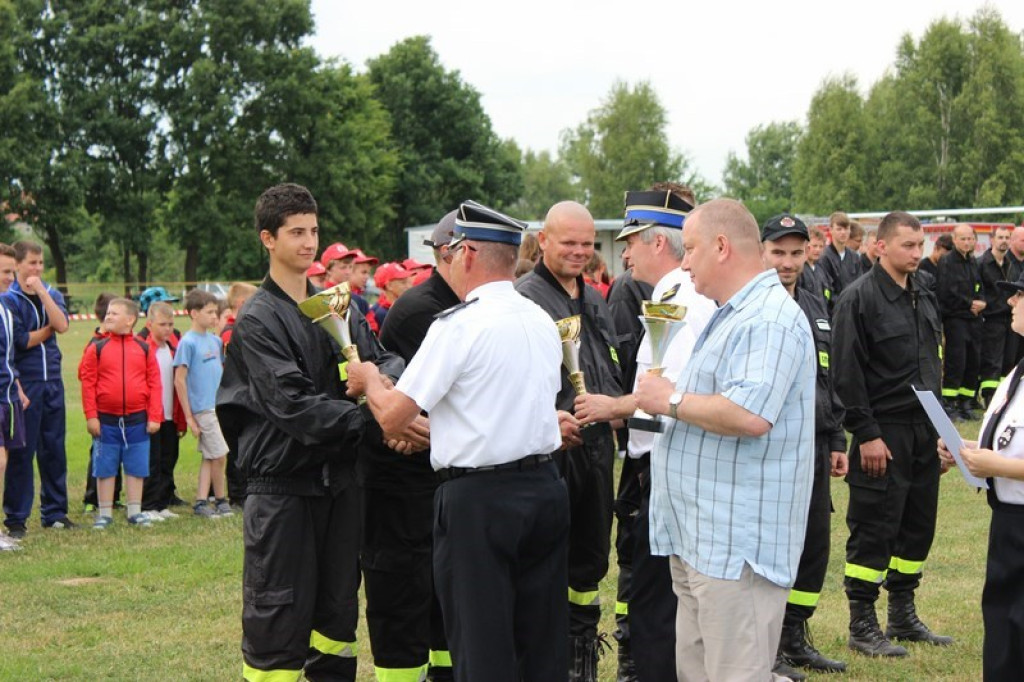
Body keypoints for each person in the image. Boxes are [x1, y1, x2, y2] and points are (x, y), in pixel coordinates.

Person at [345, 199, 571, 682]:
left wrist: (367, 379)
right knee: (540, 644)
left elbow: (394, 417)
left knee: (481, 643)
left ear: (465, 254)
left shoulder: (459, 325)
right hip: (544, 488)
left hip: (479, 501)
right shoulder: (539, 319)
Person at [217, 183, 410, 682]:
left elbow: (380, 356)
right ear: (268, 238)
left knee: (337, 619)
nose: (308, 242)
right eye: (296, 232)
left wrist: (384, 385)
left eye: (314, 231)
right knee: (276, 623)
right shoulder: (259, 318)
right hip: (283, 490)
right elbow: (294, 407)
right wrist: (380, 415)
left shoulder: (336, 304)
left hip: (342, 484)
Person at [633, 198, 815, 681]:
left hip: (737, 547)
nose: (684, 260)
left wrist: (670, 399)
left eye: (690, 248)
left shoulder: (768, 319)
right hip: (702, 538)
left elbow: (751, 414)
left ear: (721, 246)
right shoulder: (732, 313)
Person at [573, 186, 714, 682]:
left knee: (657, 602)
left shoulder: (680, 296)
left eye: (631, 239)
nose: (624, 252)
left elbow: (665, 391)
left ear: (659, 243)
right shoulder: (676, 293)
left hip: (665, 465)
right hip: (661, 461)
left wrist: (614, 407)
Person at [832, 210, 952, 658]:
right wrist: (866, 434)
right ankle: (862, 622)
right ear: (880, 246)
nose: (917, 254)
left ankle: (903, 613)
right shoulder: (858, 298)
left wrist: (943, 433)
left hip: (924, 430)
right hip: (884, 430)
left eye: (920, 246)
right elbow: (846, 373)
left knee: (917, 525)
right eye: (908, 246)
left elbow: (933, 363)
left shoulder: (923, 292)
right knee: (874, 526)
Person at [515, 200, 623, 678]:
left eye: (587, 244)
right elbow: (510, 382)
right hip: (548, 456)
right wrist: (545, 422)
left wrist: (620, 406)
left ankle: (581, 658)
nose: (580, 252)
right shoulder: (524, 299)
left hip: (598, 452)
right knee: (544, 566)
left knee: (590, 561)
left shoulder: (596, 298)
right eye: (569, 243)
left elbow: (611, 366)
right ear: (543, 242)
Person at [367, 210, 459, 682]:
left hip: (434, 475)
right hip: (404, 479)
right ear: (448, 254)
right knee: (404, 602)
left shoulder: (459, 304)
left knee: (442, 603)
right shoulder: (426, 310)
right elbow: (430, 406)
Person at [761, 214, 849, 677]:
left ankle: (795, 634)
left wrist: (836, 436)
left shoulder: (815, 302)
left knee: (814, 544)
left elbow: (825, 377)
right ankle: (768, 645)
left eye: (796, 253)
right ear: (762, 252)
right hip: (773, 447)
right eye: (779, 253)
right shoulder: (751, 305)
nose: (788, 262)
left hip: (814, 443)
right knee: (777, 545)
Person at [944, 269, 1024, 681]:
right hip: (1008, 526)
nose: (1011, 302)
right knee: (1003, 637)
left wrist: (995, 466)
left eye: (1020, 295)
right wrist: (970, 451)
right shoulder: (1018, 370)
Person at [2, 240, 72, 537]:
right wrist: (49, 330)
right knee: (22, 451)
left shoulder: (51, 293)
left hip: (53, 380)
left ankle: (55, 512)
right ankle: (17, 517)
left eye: (41, 263)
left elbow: (64, 324)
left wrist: (43, 292)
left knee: (54, 447)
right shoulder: (10, 299)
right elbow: (22, 341)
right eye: (32, 263)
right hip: (26, 382)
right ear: (17, 265)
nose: (37, 268)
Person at [78, 298, 162, 529]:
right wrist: (91, 416)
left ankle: (135, 511)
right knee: (105, 467)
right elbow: (88, 383)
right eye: (108, 313)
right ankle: (104, 513)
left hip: (137, 419)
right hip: (106, 420)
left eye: (115, 313)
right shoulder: (97, 347)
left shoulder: (144, 349)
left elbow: (155, 384)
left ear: (130, 320)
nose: (109, 316)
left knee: (136, 466)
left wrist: (154, 416)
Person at [174, 289, 231, 518]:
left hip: (218, 405)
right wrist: (189, 416)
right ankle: (220, 499)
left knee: (211, 455)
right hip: (203, 408)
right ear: (194, 314)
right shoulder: (187, 343)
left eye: (216, 312)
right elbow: (180, 380)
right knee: (219, 455)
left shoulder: (215, 341)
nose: (214, 316)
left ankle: (200, 501)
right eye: (209, 312)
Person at [140, 301, 187, 517]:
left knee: (169, 458)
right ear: (150, 324)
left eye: (170, 324)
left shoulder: (172, 349)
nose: (167, 329)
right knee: (152, 461)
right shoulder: (142, 348)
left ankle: (162, 502)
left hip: (170, 413)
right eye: (162, 324)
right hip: (152, 415)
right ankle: (148, 504)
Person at [938, 224, 986, 420]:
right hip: (956, 318)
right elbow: (947, 290)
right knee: (956, 361)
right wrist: (969, 303)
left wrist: (982, 302)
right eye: (963, 239)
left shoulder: (972, 261)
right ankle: (950, 404)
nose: (967, 242)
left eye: (970, 238)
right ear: (955, 240)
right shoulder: (947, 261)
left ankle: (966, 403)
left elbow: (979, 286)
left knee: (973, 361)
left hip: (973, 319)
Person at [82, 292, 122, 512]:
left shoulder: (124, 342)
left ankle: (114, 496)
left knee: (119, 453)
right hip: (101, 410)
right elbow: (84, 375)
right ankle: (92, 498)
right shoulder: (96, 344)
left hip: (121, 411)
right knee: (99, 454)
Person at [0, 244, 25, 550]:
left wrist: (16, 383)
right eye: (6, 272)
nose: (11, 277)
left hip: (7, 395)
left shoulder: (5, 307)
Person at [978, 226, 1020, 406]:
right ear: (992, 239)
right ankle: (990, 397)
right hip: (992, 319)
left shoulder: (1010, 264)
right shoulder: (982, 263)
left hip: (1008, 319)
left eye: (1007, 237)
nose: (1004, 240)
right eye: (1000, 237)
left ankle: (1005, 398)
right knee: (992, 360)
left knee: (1008, 361)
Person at [819, 211, 863, 309]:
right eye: (839, 229)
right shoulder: (824, 258)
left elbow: (860, 284)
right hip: (833, 311)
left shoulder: (855, 257)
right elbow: (826, 290)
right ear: (831, 230)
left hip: (854, 309)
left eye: (846, 228)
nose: (843, 232)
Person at [369, 262, 414, 329]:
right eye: (403, 282)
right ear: (389, 286)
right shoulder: (381, 313)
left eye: (408, 282)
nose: (409, 286)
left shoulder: (401, 307)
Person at [797, 225, 832, 306]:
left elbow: (828, 293)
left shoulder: (822, 269)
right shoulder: (799, 269)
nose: (818, 250)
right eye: (814, 246)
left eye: (821, 246)